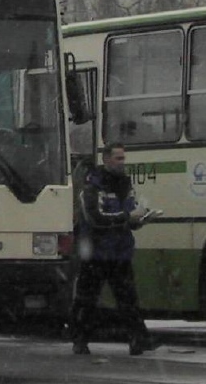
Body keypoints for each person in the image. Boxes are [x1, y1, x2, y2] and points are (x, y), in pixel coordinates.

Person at [70, 142, 159, 356]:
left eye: (123, 158)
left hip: (120, 252)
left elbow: (128, 214)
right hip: (96, 254)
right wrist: (127, 218)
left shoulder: (125, 185)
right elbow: (95, 219)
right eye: (118, 158)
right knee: (87, 299)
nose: (122, 163)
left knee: (128, 299)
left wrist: (141, 219)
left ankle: (138, 340)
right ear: (106, 159)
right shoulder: (92, 186)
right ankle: (80, 340)